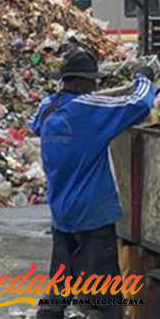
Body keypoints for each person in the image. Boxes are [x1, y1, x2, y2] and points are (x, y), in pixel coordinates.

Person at [30, 49, 156, 319]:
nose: (95, 86)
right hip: (93, 215)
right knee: (105, 297)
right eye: (92, 81)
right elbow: (139, 104)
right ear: (79, 83)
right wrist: (144, 78)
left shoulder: (47, 109)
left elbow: (35, 123)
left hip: (62, 213)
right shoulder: (88, 110)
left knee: (59, 290)